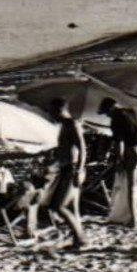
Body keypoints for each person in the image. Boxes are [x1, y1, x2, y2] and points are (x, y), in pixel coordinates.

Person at [100, 98, 137, 228]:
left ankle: (133, 220)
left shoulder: (117, 118)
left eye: (106, 113)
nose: (107, 116)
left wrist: (119, 160)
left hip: (133, 149)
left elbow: (119, 142)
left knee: (132, 186)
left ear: (111, 109)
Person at [43, 99, 88, 249]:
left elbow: (82, 148)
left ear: (60, 110)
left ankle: (81, 239)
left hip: (73, 169)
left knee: (58, 206)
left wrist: (80, 170)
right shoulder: (65, 125)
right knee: (72, 208)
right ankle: (78, 240)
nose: (51, 115)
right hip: (67, 168)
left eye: (52, 112)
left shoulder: (72, 124)